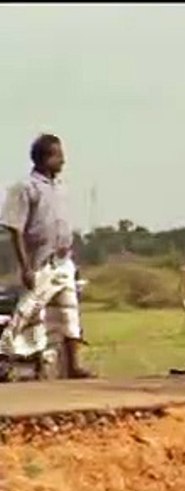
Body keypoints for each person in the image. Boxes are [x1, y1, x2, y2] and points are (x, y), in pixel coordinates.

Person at [0, 133, 94, 379]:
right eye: (59, 156)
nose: (63, 161)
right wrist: (26, 267)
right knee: (28, 313)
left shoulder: (61, 188)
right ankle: (5, 357)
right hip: (40, 262)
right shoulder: (25, 188)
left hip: (63, 261)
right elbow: (15, 229)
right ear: (45, 158)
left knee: (68, 313)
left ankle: (73, 365)